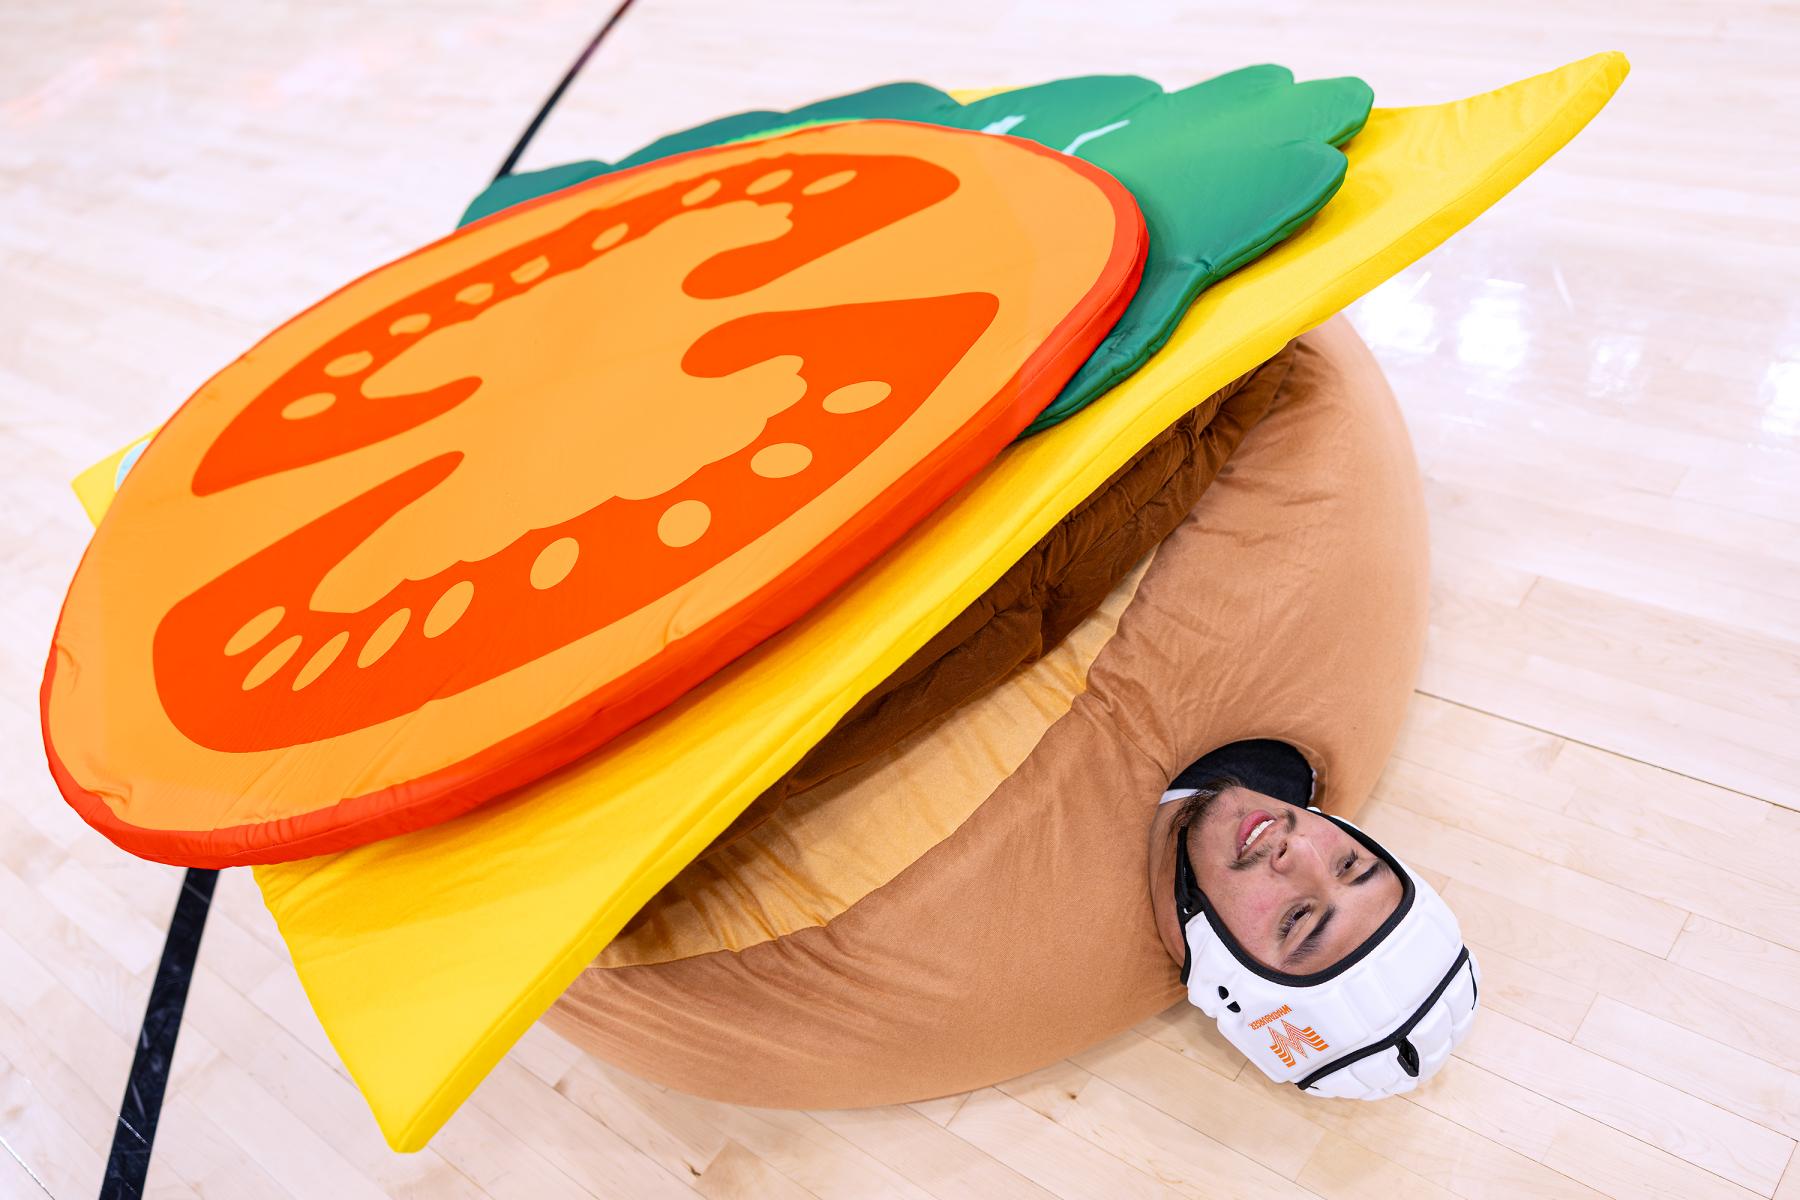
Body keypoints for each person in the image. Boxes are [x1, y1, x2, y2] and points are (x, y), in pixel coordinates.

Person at [1145, 740, 1481, 1099]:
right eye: (1349, 864)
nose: (1301, 848)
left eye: (1297, 918)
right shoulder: (1293, 755)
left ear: (1220, 973)